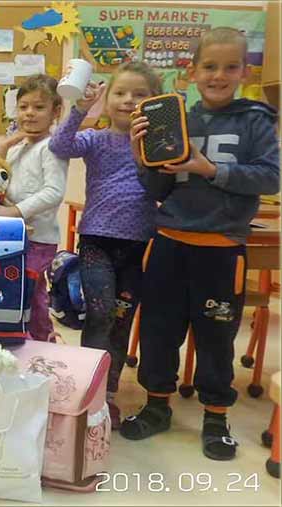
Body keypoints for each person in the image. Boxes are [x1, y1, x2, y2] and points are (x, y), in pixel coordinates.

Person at [122, 27, 280, 461]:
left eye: (230, 67)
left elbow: (271, 177)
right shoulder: (176, 118)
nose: (218, 75)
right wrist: (141, 159)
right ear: (191, 72)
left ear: (245, 72)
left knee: (216, 336)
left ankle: (215, 416)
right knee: (158, 331)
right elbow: (159, 186)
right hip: (169, 243)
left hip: (221, 249)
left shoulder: (255, 120)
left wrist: (210, 170)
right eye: (209, 66)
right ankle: (157, 406)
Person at [49, 61, 163, 427]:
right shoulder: (97, 138)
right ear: (107, 98)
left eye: (139, 94)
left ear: (154, 101)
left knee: (121, 319)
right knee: (99, 314)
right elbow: (59, 145)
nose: (128, 100)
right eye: (120, 93)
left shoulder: (157, 146)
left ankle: (108, 394)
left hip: (138, 246)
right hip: (97, 240)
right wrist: (81, 109)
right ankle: (90, 390)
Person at [0, 74, 67, 342]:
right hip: (15, 235)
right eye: (23, 107)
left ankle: (42, 340)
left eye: (39, 107)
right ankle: (21, 338)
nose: (29, 113)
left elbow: (53, 192)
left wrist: (12, 212)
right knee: (19, 290)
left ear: (55, 111)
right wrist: (4, 146)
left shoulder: (51, 147)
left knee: (28, 291)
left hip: (38, 238)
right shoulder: (19, 147)